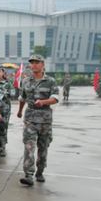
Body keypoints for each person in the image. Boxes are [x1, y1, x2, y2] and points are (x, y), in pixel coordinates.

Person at [17, 54, 59, 186]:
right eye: (32, 62)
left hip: (45, 119)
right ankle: (28, 175)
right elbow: (22, 98)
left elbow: (55, 98)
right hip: (30, 119)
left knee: (43, 148)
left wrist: (43, 102)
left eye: (37, 62)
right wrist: (20, 111)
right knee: (29, 147)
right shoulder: (25, 81)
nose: (34, 65)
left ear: (43, 64)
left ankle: (40, 171)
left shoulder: (50, 81)